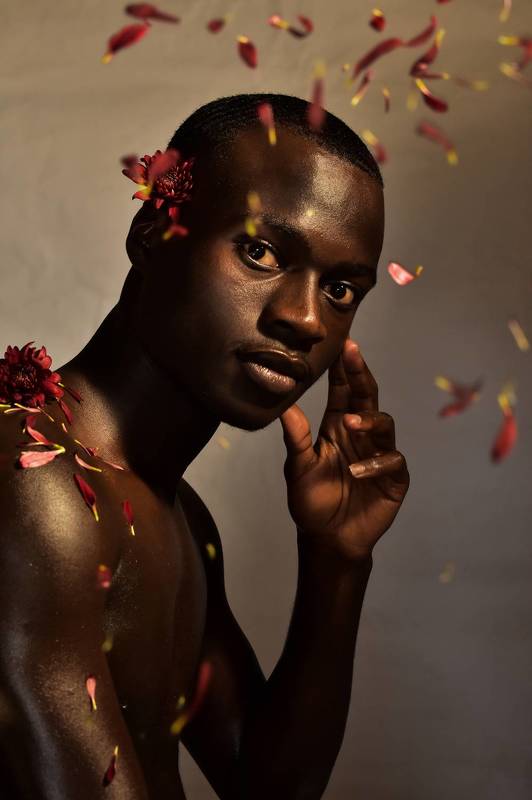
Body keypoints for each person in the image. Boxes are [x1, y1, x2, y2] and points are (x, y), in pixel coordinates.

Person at [0, 93, 409, 799]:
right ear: (153, 230)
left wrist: (338, 561)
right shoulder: (33, 480)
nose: (306, 319)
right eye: (260, 251)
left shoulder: (178, 515)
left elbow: (265, 785)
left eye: (341, 289)